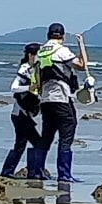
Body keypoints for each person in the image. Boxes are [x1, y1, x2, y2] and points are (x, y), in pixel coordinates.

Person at [32, 23, 86, 182]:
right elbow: (82, 66)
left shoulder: (40, 52)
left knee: (46, 136)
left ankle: (37, 171)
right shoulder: (62, 51)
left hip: (46, 100)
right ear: (63, 36)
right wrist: (81, 45)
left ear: (48, 35)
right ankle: (64, 175)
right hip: (62, 98)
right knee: (66, 134)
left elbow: (37, 76)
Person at [0, 43, 42, 178]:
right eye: (37, 55)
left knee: (23, 143)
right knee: (32, 143)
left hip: (26, 115)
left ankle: (13, 171)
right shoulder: (25, 69)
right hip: (19, 114)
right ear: (30, 55)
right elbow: (13, 87)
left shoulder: (38, 69)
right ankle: (31, 172)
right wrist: (29, 87)